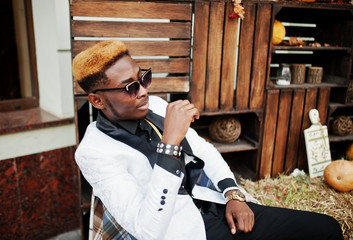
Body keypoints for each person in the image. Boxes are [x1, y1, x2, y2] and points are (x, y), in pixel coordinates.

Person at [73, 40, 343, 240]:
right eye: (130, 87)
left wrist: (233, 195)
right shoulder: (93, 152)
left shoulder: (154, 105)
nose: (144, 91)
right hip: (183, 231)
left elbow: (204, 149)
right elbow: (148, 231)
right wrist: (170, 144)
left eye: (144, 77)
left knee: (327, 228)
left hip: (215, 202)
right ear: (97, 100)